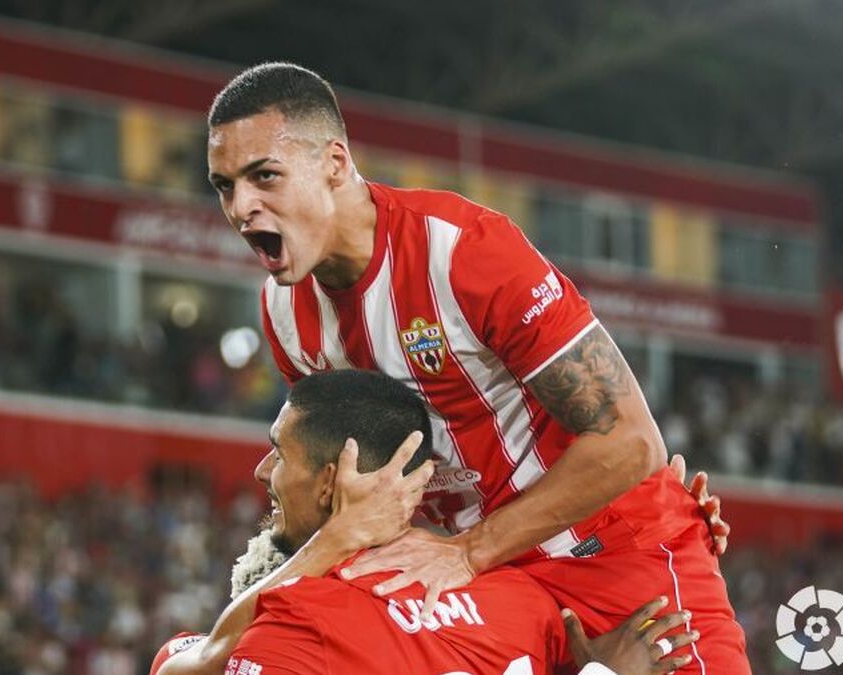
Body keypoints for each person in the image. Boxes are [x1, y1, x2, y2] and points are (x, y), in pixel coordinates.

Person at [203, 62, 744, 674]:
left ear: (333, 163)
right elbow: (337, 484)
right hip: (476, 583)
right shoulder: (284, 313)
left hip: (608, 557)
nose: (241, 207)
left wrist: (470, 551)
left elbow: (630, 442)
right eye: (224, 186)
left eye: (264, 176)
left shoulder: (462, 251)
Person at [157, 370, 699, 675]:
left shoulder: (297, 625)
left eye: (279, 452)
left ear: (331, 481)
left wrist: (335, 540)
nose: (262, 470)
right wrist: (674, 519)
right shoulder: (525, 598)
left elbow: (183, 665)